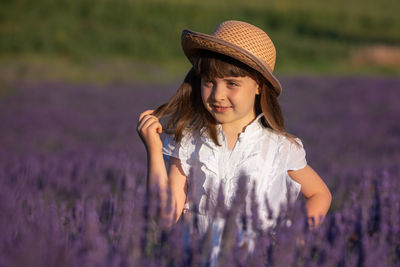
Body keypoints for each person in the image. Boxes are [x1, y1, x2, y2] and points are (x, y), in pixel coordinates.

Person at [137, 20, 332, 246]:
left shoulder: (280, 147)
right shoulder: (188, 143)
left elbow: (320, 194)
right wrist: (154, 150)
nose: (218, 95)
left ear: (259, 86)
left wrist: (294, 239)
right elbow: (164, 218)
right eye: (209, 82)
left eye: (232, 83)